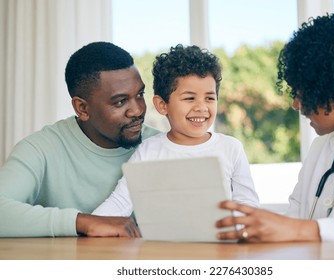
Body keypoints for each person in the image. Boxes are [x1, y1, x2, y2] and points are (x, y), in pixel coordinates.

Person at [216, 14, 334, 243]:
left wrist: (305, 231)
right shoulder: (322, 148)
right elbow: (296, 218)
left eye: (300, 93)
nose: (295, 104)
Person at [0, 42, 160, 237]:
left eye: (140, 95)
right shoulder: (40, 148)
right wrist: (84, 222)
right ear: (82, 108)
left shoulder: (161, 146)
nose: (137, 110)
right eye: (120, 101)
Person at [92, 44, 260, 217]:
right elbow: (121, 202)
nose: (201, 107)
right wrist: (90, 227)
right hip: (164, 243)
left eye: (210, 98)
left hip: (221, 242)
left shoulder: (230, 147)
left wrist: (236, 229)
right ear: (162, 105)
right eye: (189, 98)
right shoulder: (149, 151)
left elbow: (247, 203)